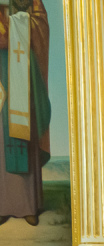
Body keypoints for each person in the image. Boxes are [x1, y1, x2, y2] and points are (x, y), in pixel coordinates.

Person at [0, 0, 51, 228]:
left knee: (24, 130)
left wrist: (16, 25)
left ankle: (28, 206)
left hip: (22, 66)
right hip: (0, 70)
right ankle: (3, 205)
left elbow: (40, 23)